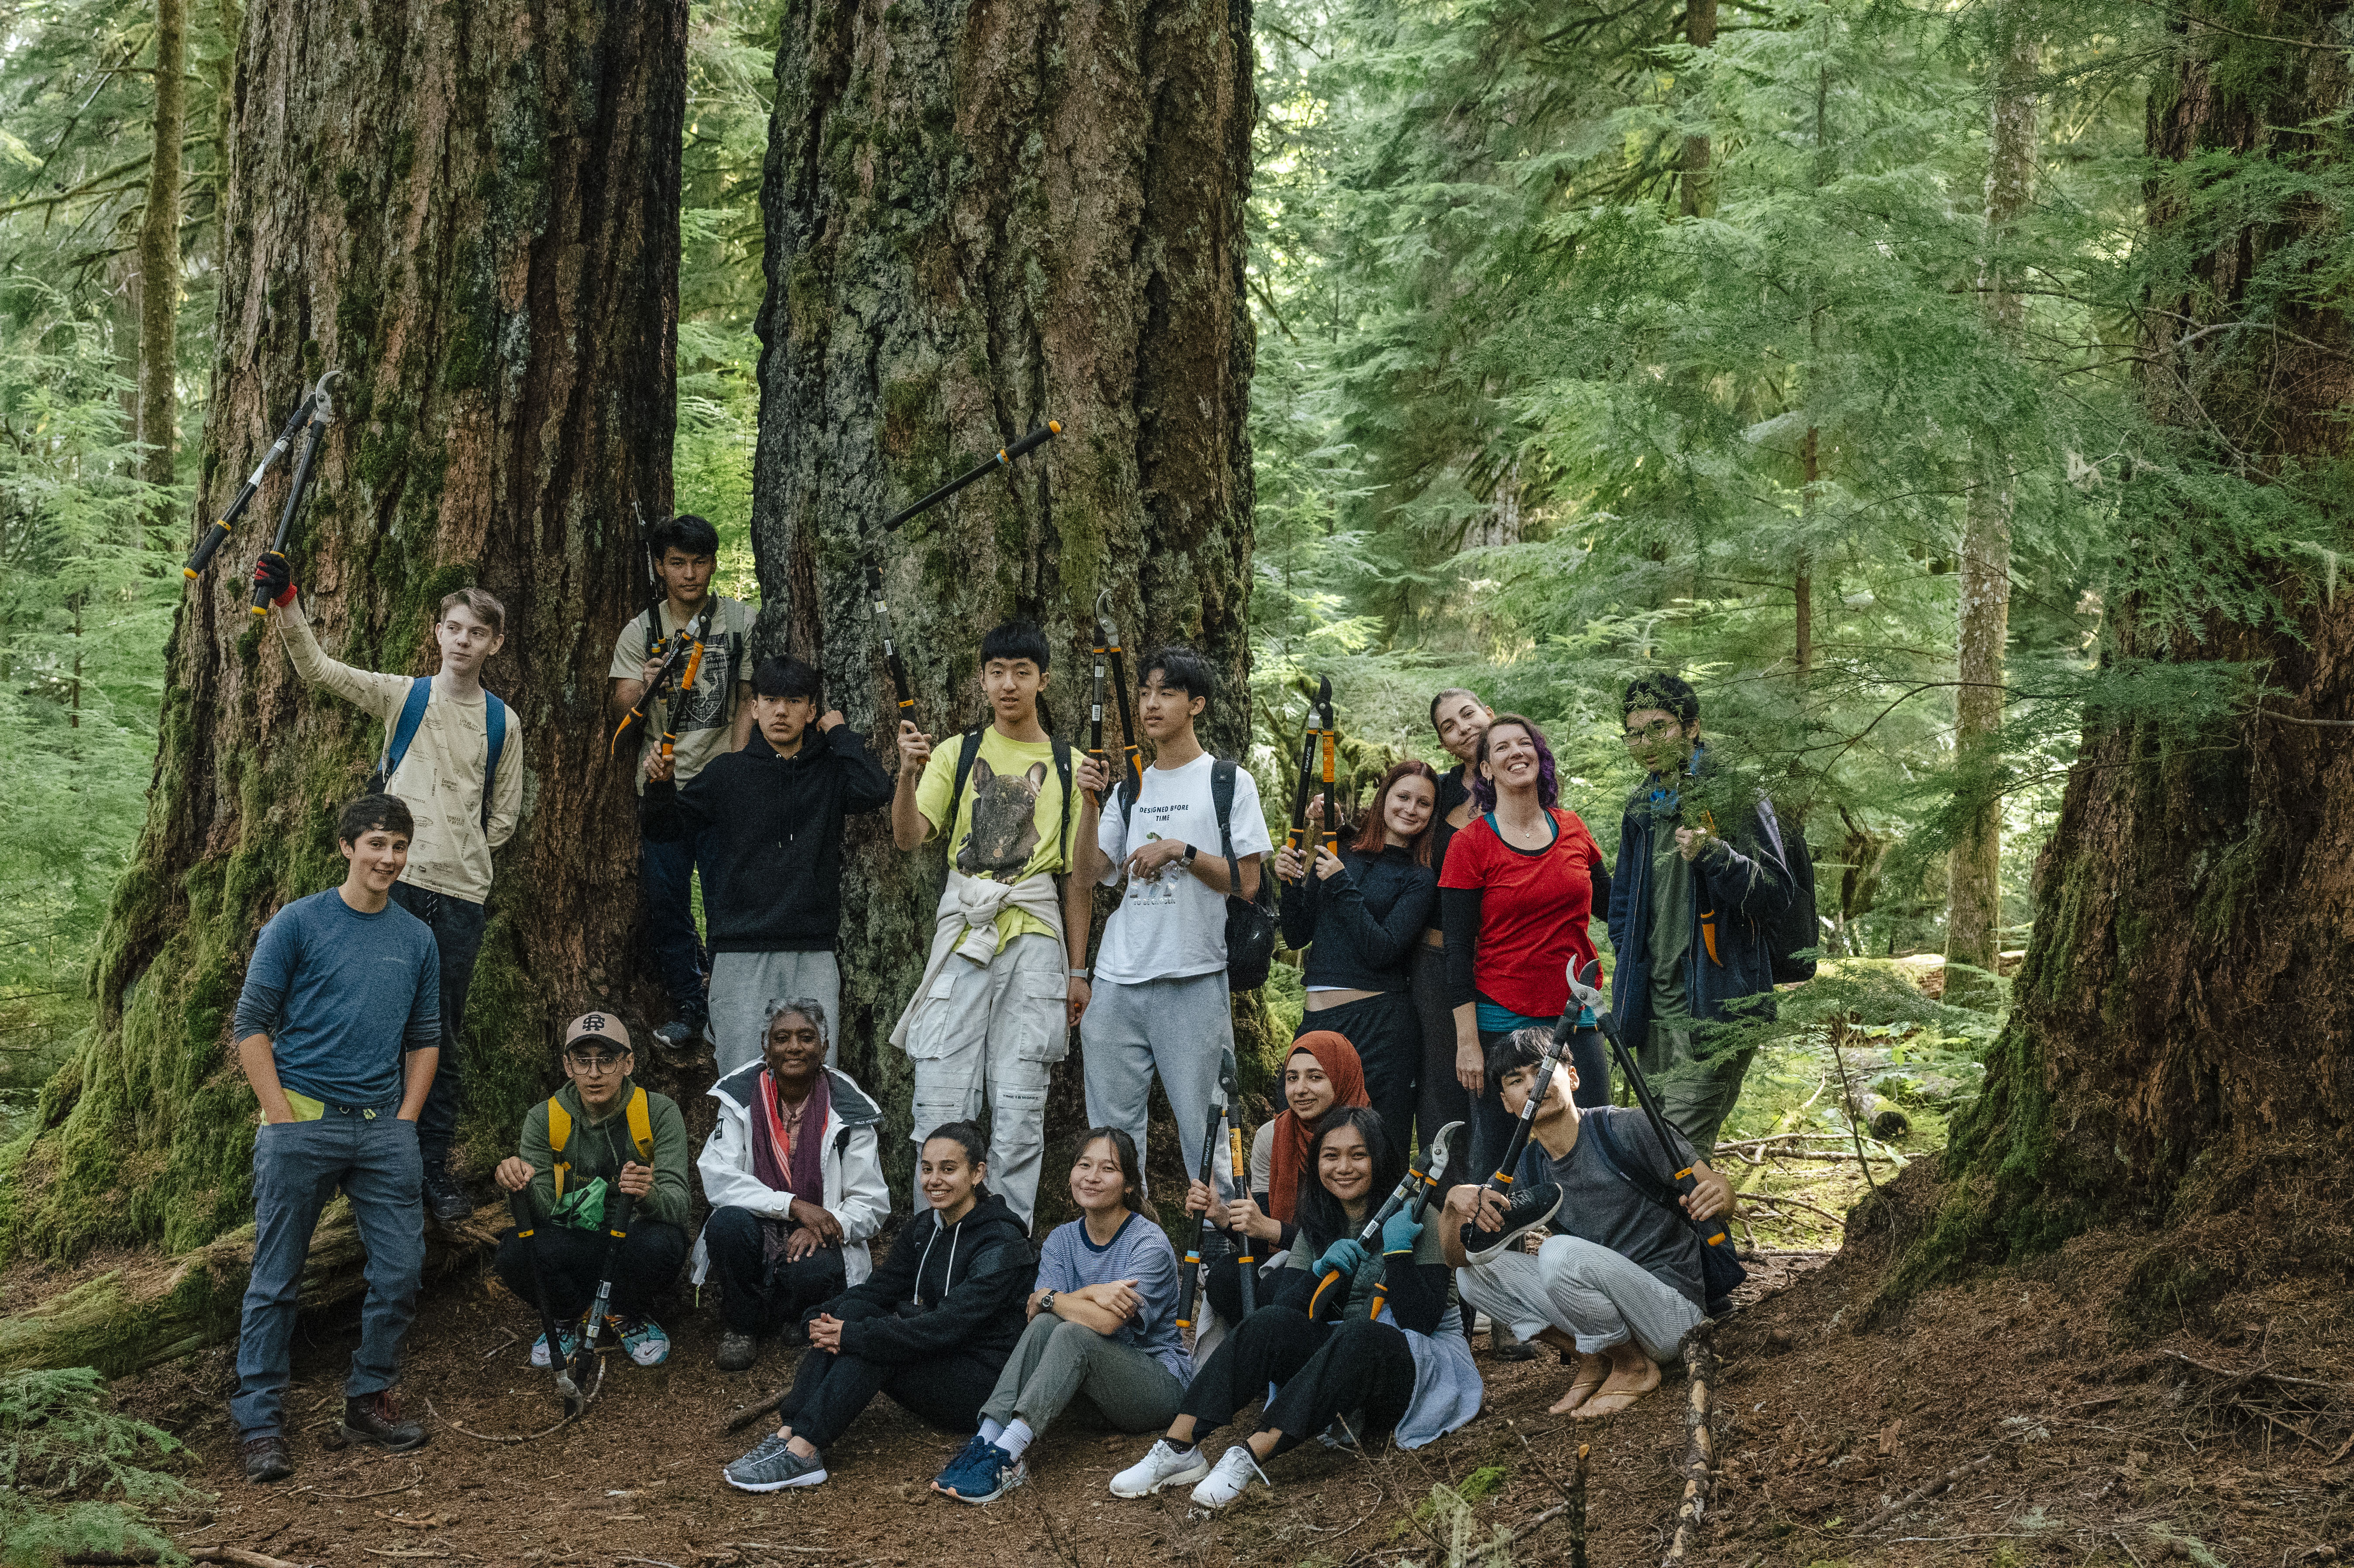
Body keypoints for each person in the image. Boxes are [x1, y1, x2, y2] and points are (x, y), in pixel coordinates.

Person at [257, 558, 520, 1224]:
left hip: (460, 898)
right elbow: (320, 670)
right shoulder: (405, 696)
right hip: (394, 890)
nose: (464, 641)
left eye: (478, 632)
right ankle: (357, 1158)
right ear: (437, 633)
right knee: (375, 1023)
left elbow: (504, 817)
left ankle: (429, 1169)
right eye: (454, 628)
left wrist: (462, 855)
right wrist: (288, 602)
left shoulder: (503, 722)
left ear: (494, 643)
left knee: (440, 1036)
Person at [1110, 1109, 1480, 1509]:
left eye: (1358, 1155)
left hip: (1416, 1368)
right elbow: (1285, 1315)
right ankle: (1178, 1446)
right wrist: (1317, 1273)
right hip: (1340, 1361)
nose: (1343, 1168)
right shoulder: (1319, 1224)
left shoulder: (1419, 1216)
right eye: (1331, 1156)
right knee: (1267, 1322)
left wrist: (1399, 1251)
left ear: (1380, 1160)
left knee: (1360, 1336)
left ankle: (1249, 1457)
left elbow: (1420, 1322)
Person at [228, 794, 443, 1483]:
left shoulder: (416, 938)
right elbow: (251, 1024)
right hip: (303, 1123)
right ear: (347, 847)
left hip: (384, 1130)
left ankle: (368, 1397)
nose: (389, 859)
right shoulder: (298, 923)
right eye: (378, 844)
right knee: (276, 1278)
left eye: (400, 847)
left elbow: (425, 1038)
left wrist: (408, 1118)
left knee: (402, 1269)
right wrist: (281, 1118)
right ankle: (260, 1421)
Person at [890, 620, 1110, 1228]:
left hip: (1036, 938)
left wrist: (1077, 969)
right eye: (997, 672)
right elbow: (909, 837)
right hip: (964, 931)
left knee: (1018, 1108)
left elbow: (1081, 875)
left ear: (1043, 680)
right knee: (940, 1099)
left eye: (1022, 672)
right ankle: (932, 1251)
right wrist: (907, 774)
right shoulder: (955, 754)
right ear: (983, 680)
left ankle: (1005, 1255)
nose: (1008, 684)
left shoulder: (1067, 766)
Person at [722, 1123, 1036, 1492]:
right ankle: (789, 1433)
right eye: (927, 1168)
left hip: (984, 1383)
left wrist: (851, 1335)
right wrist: (823, 1317)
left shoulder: (1001, 1241)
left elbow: (948, 1326)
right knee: (853, 1316)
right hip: (939, 1358)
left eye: (948, 1169)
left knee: (873, 1346)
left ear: (978, 1173)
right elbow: (877, 1291)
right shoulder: (924, 1228)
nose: (935, 1180)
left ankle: (805, 1452)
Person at [1441, 1027, 1734, 1417]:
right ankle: (1594, 1357)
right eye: (1517, 1080)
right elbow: (1459, 1259)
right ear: (1507, 1102)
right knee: (1475, 1276)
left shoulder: (1626, 1128)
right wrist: (1451, 1204)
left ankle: (1634, 1368)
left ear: (1573, 1077)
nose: (1533, 1085)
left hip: (1672, 1318)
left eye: (1542, 1070)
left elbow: (1718, 1188)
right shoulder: (1526, 1167)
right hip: (1609, 1311)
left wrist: (1719, 1196)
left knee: (1558, 1252)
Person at [642, 657, 894, 1075]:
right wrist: (660, 785)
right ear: (754, 707)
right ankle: (741, 1145)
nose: (781, 711)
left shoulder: (829, 773)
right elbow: (665, 829)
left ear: (811, 711)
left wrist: (839, 734)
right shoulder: (727, 774)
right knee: (741, 1080)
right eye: (771, 700)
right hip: (740, 951)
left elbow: (875, 788)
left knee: (817, 1077)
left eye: (794, 701)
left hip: (812, 950)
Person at [1083, 646, 1270, 1189]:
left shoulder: (1228, 782)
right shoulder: (1129, 787)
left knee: (1208, 1131)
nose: (1150, 703)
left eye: (1166, 692)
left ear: (1197, 704)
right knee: (1111, 1140)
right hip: (1118, 979)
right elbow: (1093, 871)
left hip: (1193, 976)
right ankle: (1122, 1250)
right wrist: (1091, 805)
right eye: (1144, 692)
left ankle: (1220, 1259)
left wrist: (1180, 850)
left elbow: (1247, 881)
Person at [931, 1128, 1188, 1504]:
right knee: (1050, 1325)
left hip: (1156, 1387)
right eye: (1084, 1165)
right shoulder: (1062, 1240)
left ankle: (1009, 1457)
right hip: (1090, 1395)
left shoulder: (1148, 1244)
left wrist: (1052, 1296)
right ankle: (986, 1440)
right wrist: (1082, 1296)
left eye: (1108, 1169)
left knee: (1071, 1332)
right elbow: (1037, 1312)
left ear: (1130, 1184)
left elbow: (1104, 1323)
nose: (1092, 1177)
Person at [1609, 674, 1794, 1155]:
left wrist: (1718, 857)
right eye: (1634, 732)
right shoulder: (1640, 806)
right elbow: (1625, 904)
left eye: (1659, 727)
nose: (1645, 743)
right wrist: (1628, 963)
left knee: (1678, 1155)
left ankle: (1697, 1231)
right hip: (1653, 1012)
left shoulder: (1735, 792)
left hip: (1714, 1008)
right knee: (1656, 1150)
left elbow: (1777, 893)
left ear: (1691, 728)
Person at [609, 513, 758, 1052]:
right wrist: (644, 688)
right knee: (667, 904)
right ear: (659, 567)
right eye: (677, 563)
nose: (690, 574)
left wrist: (737, 767)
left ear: (713, 563)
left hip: (720, 788)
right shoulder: (643, 628)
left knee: (726, 905)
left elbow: (748, 700)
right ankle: (689, 1008)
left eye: (699, 562)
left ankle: (729, 1015)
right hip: (662, 786)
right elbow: (619, 706)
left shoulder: (740, 620)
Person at [1440, 713, 1612, 1179]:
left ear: (1539, 757)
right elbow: (1456, 950)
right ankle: (1495, 1251)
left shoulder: (1572, 828)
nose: (1516, 752)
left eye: (1525, 743)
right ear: (1486, 771)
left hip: (1578, 1009)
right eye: (1501, 748)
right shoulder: (1470, 845)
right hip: (1502, 1015)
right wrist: (1468, 1043)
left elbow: (1614, 907)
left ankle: (1601, 1249)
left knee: (1598, 1137)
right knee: (1499, 1155)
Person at [693, 999, 891, 1372]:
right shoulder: (740, 1096)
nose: (794, 1047)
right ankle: (742, 1324)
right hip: (759, 1224)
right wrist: (794, 1206)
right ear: (766, 1048)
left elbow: (872, 1203)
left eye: (806, 1037)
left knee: (811, 1269)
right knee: (726, 1226)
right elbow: (718, 1178)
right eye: (782, 1038)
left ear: (825, 1048)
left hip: (816, 1234)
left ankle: (793, 1314)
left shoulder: (849, 1107)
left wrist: (828, 1224)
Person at [491, 1013, 693, 1368]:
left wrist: (649, 1194)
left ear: (628, 1063)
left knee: (664, 1243)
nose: (595, 1073)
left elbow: (679, 1209)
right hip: (573, 1241)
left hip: (630, 1242)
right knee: (513, 1252)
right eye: (583, 1061)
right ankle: (573, 1313)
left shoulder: (658, 1112)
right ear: (568, 1066)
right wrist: (518, 1184)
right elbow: (541, 1211)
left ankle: (624, 1313)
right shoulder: (544, 1118)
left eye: (607, 1060)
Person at [1274, 759, 1438, 1147]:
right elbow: (1298, 936)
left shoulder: (1419, 876)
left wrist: (1342, 883)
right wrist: (1290, 883)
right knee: (1304, 1143)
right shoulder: (1341, 852)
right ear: (1384, 798)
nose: (1411, 809)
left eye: (1424, 803)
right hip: (1317, 1021)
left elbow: (1382, 950)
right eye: (1403, 797)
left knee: (1377, 1146)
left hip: (1380, 1026)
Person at [1186, 1031, 1368, 1314]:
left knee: (1279, 1286)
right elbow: (1259, 1240)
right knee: (1225, 1278)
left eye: (1315, 1077)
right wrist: (1221, 1215)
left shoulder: (1368, 1138)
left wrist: (1273, 1229)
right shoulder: (1273, 1137)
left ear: (1342, 1076)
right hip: (1288, 1259)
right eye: (1292, 1078)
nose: (1300, 1089)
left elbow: (1360, 1243)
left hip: (1352, 1269)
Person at [1416, 689, 1493, 1197]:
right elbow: (1390, 822)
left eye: (1467, 714)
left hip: (1502, 957)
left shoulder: (1524, 773)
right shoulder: (1439, 793)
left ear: (1487, 711)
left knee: (1501, 1082)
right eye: (1448, 725)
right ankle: (1447, 1215)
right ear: (1444, 743)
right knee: (1445, 1087)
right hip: (1439, 959)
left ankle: (1504, 1204)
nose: (1462, 727)